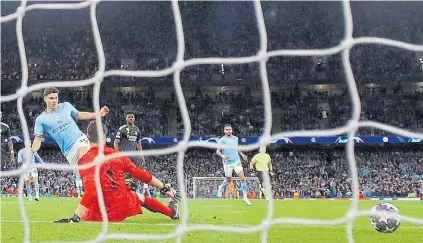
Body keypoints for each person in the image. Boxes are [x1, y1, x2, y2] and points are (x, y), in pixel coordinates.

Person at [53, 120, 180, 223]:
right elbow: (140, 174)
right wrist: (163, 187)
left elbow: (92, 191)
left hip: (98, 214)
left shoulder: (85, 160)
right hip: (122, 205)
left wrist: (75, 217)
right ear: (105, 137)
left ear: (87, 137)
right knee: (140, 198)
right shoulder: (117, 155)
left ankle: (171, 211)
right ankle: (171, 212)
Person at [31, 87, 109, 198]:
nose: (54, 101)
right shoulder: (41, 119)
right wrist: (33, 149)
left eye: (56, 98)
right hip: (68, 151)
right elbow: (38, 139)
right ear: (45, 99)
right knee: (83, 173)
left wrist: (99, 114)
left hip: (80, 139)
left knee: (84, 157)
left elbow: (80, 115)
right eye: (51, 98)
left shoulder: (66, 106)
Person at [216, 124, 251, 206]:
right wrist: (223, 156)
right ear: (224, 131)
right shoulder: (222, 140)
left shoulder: (235, 138)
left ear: (231, 130)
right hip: (227, 163)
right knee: (228, 180)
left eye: (230, 129)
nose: (228, 130)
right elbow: (217, 151)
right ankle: (221, 187)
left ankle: (245, 198)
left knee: (243, 178)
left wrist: (242, 155)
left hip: (236, 161)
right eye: (227, 129)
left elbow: (237, 148)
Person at [114, 112, 145, 190]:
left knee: (135, 173)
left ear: (134, 119)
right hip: (124, 155)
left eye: (132, 117)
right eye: (129, 117)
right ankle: (121, 189)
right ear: (126, 119)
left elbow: (138, 142)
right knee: (123, 173)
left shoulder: (137, 130)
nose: (130, 118)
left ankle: (133, 189)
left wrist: (141, 155)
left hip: (134, 156)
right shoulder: (122, 129)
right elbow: (116, 142)